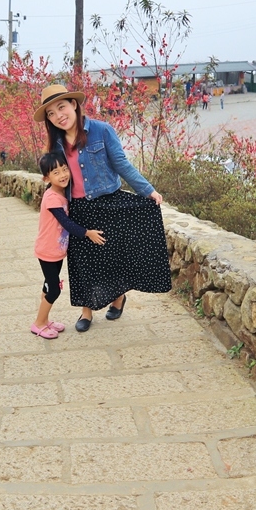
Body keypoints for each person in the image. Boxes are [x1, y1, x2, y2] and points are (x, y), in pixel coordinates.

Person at [35, 84, 172, 333]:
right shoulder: (56, 143)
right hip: (78, 208)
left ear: (74, 104)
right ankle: (86, 310)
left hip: (109, 204)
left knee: (114, 257)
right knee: (81, 262)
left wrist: (148, 191)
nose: (58, 116)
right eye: (51, 113)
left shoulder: (101, 130)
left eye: (61, 107)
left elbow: (121, 164)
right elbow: (54, 177)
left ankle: (118, 298)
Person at [31, 152, 105, 339]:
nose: (63, 175)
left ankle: (45, 319)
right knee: (54, 289)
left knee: (49, 285)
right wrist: (87, 233)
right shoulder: (52, 198)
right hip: (47, 251)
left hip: (55, 251)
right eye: (56, 172)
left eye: (65, 169)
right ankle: (38, 324)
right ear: (46, 178)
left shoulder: (61, 192)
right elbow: (66, 222)